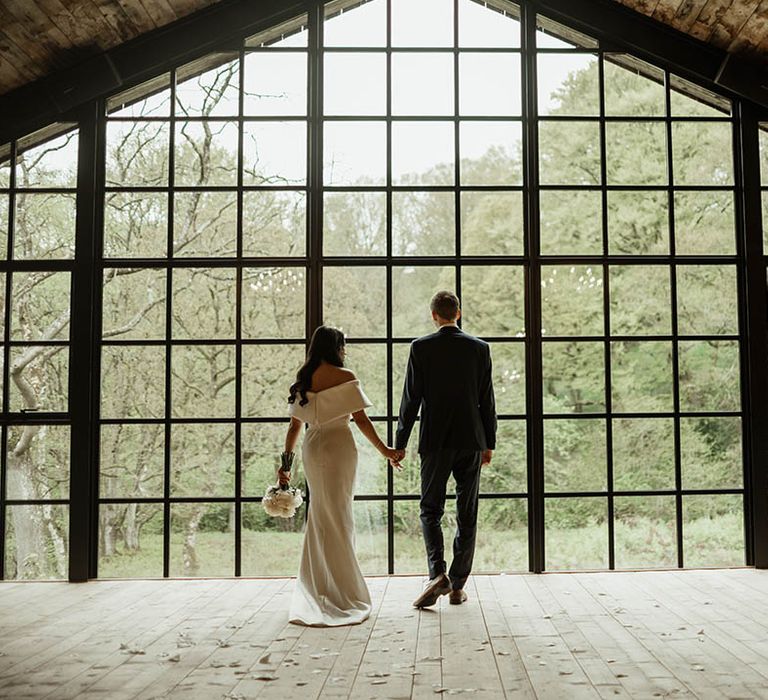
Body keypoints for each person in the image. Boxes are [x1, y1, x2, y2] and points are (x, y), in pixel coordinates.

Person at [280, 325, 403, 626]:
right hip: (339, 447)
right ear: (337, 347)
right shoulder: (345, 377)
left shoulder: (304, 380)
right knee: (340, 514)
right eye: (343, 346)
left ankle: (317, 588)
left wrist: (286, 464)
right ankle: (342, 592)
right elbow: (361, 420)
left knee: (320, 514)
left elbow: (295, 427)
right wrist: (385, 450)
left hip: (313, 447)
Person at [394, 291, 497, 608]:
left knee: (430, 510)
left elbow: (411, 400)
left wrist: (400, 444)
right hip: (470, 441)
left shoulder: (421, 348)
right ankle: (456, 586)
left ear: (433, 315)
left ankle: (437, 573)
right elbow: (486, 400)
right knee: (467, 515)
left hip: (435, 441)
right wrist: (488, 442)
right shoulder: (479, 349)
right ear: (459, 313)